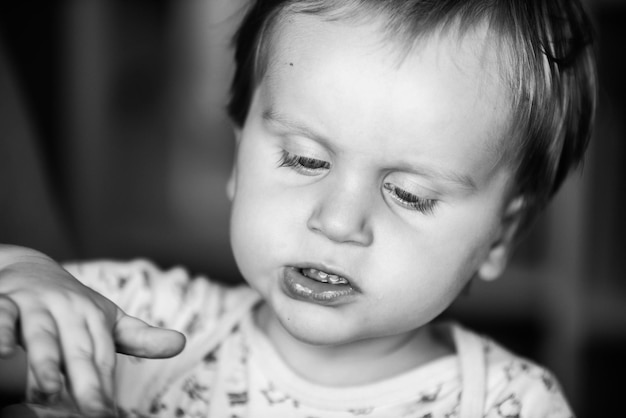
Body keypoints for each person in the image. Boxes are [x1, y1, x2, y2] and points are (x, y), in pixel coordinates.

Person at [0, 0, 597, 416]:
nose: (337, 222)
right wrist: (19, 272)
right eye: (306, 160)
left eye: (410, 194)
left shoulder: (510, 404)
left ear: (500, 235)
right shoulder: (139, 322)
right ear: (239, 160)